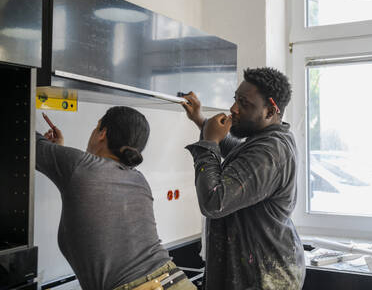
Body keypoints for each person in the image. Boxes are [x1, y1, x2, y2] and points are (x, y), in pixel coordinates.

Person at [36, 106, 196, 290]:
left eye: (96, 128)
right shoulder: (138, 179)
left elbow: (28, 140)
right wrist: (57, 153)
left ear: (102, 133)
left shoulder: (78, 167)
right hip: (176, 281)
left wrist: (55, 152)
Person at [181, 67, 305, 290]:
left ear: (270, 111)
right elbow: (239, 157)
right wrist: (201, 121)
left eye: (244, 104)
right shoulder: (269, 139)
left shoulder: (270, 152)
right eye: (235, 99)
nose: (233, 109)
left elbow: (214, 202)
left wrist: (209, 143)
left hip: (262, 279)